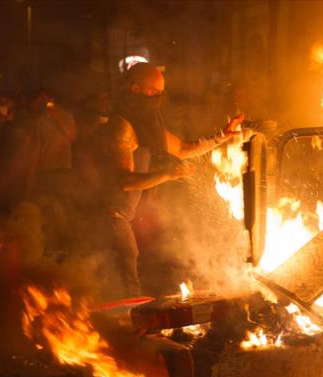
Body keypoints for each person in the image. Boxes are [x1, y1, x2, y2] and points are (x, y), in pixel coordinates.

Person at [89, 62, 243, 296]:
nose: (158, 98)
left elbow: (182, 148)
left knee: (131, 284)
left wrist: (222, 136)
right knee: (125, 291)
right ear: (135, 89)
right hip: (112, 221)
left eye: (161, 93)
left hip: (125, 219)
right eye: (153, 92)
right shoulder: (121, 128)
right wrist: (168, 174)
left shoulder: (143, 124)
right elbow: (125, 182)